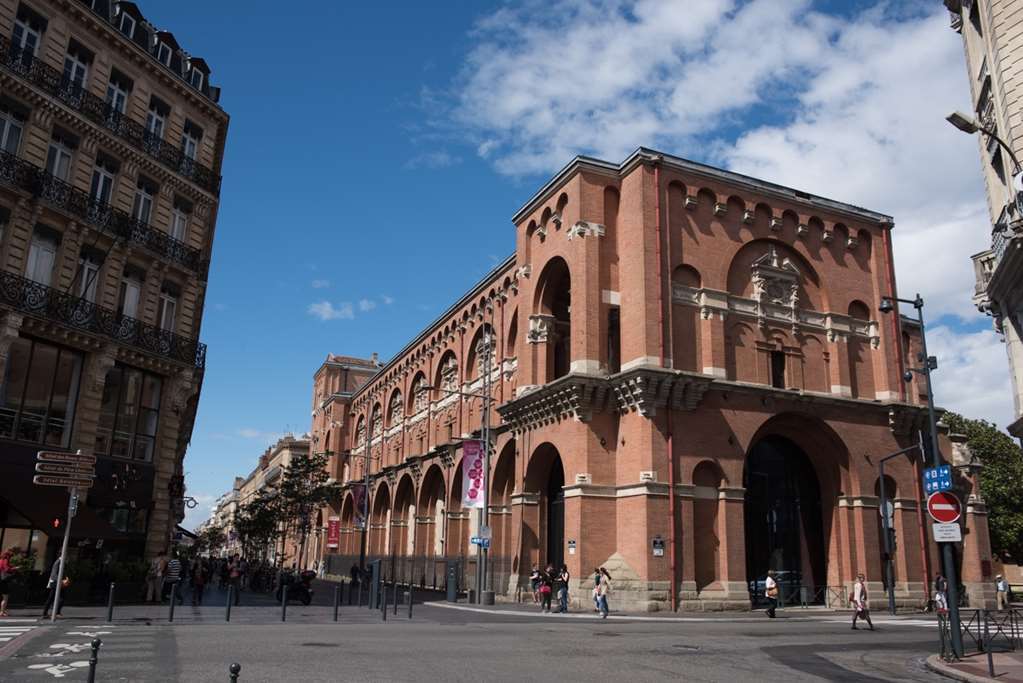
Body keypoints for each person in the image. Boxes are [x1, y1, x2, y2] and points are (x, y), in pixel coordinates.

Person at [0, 550, 14, 617]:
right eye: (10, 556)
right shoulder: (5, 560)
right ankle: (2, 612)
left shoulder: (0, 560)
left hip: (1, 580)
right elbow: (7, 569)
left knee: (3, 597)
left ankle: (3, 611)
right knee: (5, 597)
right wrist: (14, 568)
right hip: (3, 581)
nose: (10, 557)